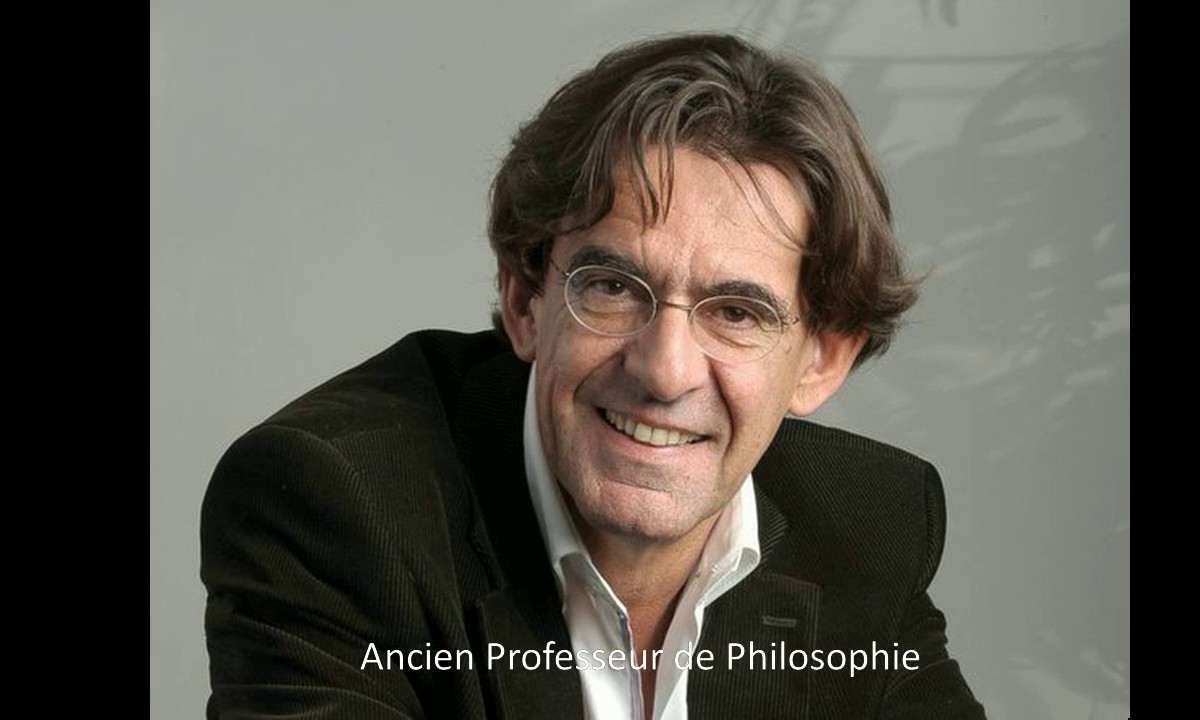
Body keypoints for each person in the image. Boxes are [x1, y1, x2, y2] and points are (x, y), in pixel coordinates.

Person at [201, 33, 986, 720]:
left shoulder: (867, 528)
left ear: (821, 359)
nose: (665, 371)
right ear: (524, 300)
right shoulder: (338, 506)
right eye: (613, 288)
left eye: (736, 313)